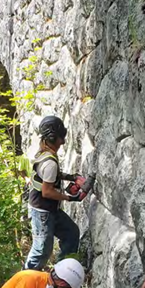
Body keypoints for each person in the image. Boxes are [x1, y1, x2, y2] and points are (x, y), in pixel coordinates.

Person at [25, 116, 86, 270]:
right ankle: (25, 281)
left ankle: (62, 273)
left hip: (49, 209)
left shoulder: (44, 154)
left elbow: (49, 176)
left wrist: (71, 177)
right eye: (61, 138)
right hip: (43, 212)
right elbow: (47, 192)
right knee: (42, 251)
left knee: (71, 233)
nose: (63, 142)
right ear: (53, 137)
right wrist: (70, 197)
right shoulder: (50, 162)